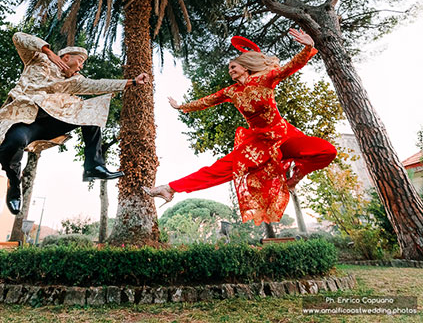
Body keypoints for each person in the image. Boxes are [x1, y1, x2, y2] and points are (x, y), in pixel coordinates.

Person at [143, 29, 337, 226]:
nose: (230, 71)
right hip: (258, 144)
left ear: (245, 67)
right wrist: (182, 106)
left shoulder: (265, 79)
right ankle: (169, 188)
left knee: (327, 151)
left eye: (233, 67)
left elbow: (289, 67)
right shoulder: (231, 91)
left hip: (283, 137)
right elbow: (206, 101)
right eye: (229, 69)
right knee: (219, 169)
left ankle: (296, 177)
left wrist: (308, 47)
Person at [0, 32, 149, 215]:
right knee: (11, 145)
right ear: (66, 57)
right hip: (23, 120)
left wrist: (132, 82)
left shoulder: (75, 81)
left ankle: (93, 166)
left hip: (51, 123)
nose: (80, 67)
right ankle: (13, 184)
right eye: (80, 61)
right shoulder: (37, 60)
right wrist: (48, 52)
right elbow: (18, 37)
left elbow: (98, 85)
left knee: (91, 109)